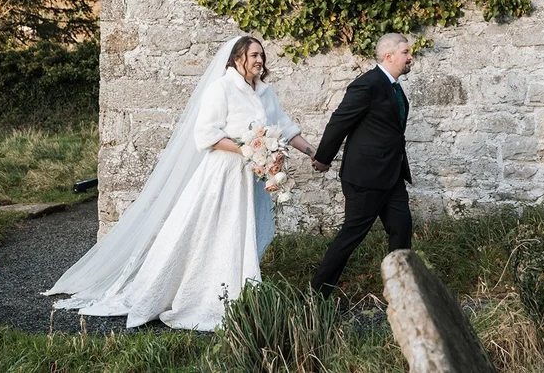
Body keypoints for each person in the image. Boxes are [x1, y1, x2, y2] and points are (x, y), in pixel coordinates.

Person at [44, 36, 317, 331]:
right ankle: (198, 292)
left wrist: (313, 152)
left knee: (240, 232)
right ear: (237, 58)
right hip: (224, 175)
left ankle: (238, 287)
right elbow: (207, 135)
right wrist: (248, 148)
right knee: (209, 232)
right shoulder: (221, 89)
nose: (259, 60)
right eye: (254, 55)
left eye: (261, 55)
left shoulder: (265, 92)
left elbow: (284, 127)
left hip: (250, 176)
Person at [310, 32, 414, 296]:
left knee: (401, 229)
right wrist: (323, 158)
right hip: (366, 178)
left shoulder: (393, 86)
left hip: (392, 175)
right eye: (405, 52)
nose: (410, 57)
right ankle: (316, 295)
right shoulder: (367, 84)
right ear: (389, 56)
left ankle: (401, 294)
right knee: (351, 236)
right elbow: (340, 121)